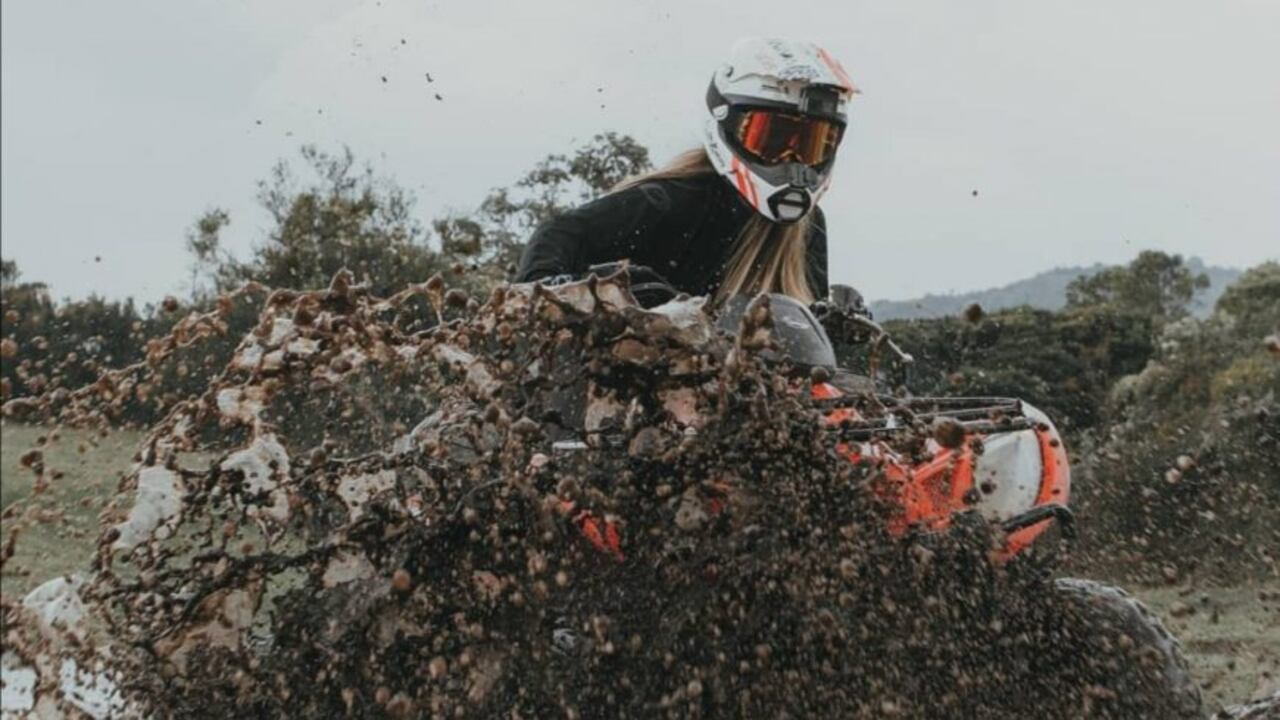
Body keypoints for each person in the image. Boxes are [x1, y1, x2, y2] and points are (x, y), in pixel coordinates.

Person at [515, 37, 858, 305]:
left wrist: (834, 324)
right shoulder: (671, 201)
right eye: (772, 139)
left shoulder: (807, 227)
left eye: (811, 145)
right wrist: (560, 293)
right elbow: (559, 234)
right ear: (726, 123)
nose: (791, 161)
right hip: (634, 365)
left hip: (741, 372)